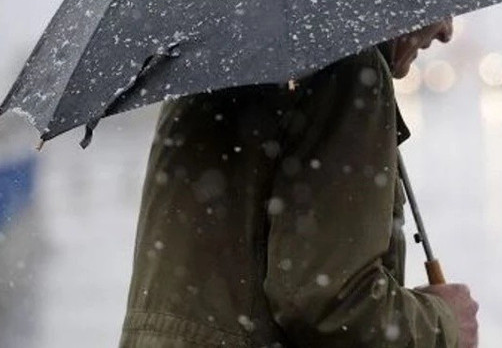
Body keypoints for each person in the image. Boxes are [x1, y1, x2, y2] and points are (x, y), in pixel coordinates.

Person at [120, 19, 479, 347]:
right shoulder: (346, 67)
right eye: (443, 11)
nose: (447, 31)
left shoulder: (213, 62)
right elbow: (327, 300)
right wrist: (444, 325)